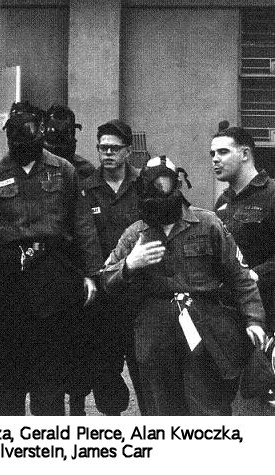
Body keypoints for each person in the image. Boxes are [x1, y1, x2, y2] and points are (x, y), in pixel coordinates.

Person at [0, 101, 103, 415]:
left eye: (28, 131)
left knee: (50, 356)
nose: (21, 138)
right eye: (14, 132)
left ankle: (47, 425)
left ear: (40, 132)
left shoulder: (63, 170)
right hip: (8, 278)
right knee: (6, 355)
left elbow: (82, 224)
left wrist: (90, 274)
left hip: (52, 274)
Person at [102, 155, 267, 415]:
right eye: (153, 186)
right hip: (154, 332)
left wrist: (254, 320)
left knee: (208, 408)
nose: (160, 191)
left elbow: (240, 276)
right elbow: (106, 279)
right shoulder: (136, 234)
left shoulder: (208, 223)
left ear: (177, 185)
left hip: (204, 327)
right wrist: (130, 264)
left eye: (165, 184)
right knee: (161, 411)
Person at [70, 119, 145, 416]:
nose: (108, 153)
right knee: (105, 369)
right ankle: (111, 419)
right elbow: (77, 237)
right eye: (103, 148)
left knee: (144, 366)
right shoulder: (85, 189)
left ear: (128, 151)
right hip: (102, 294)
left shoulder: (144, 185)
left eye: (114, 148)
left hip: (139, 292)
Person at [211, 125, 275, 408]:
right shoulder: (222, 203)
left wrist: (253, 276)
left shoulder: (272, 194)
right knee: (234, 400)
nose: (215, 159)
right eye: (213, 154)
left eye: (223, 152)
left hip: (269, 314)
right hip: (232, 318)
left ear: (245, 153)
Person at [43, 104, 95, 180]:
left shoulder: (85, 169)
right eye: (55, 134)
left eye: (65, 133)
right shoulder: (35, 167)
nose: (60, 141)